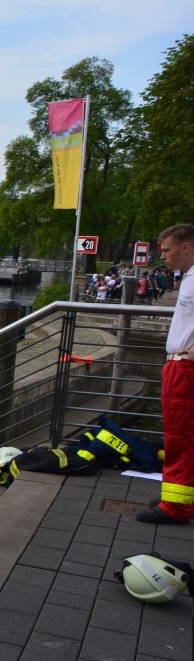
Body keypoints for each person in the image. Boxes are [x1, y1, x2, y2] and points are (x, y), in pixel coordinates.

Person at [137, 224, 194, 526]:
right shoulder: (188, 278)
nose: (163, 256)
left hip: (185, 368)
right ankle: (181, 497)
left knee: (179, 436)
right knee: (184, 436)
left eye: (168, 250)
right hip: (179, 364)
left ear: (186, 247)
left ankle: (175, 507)